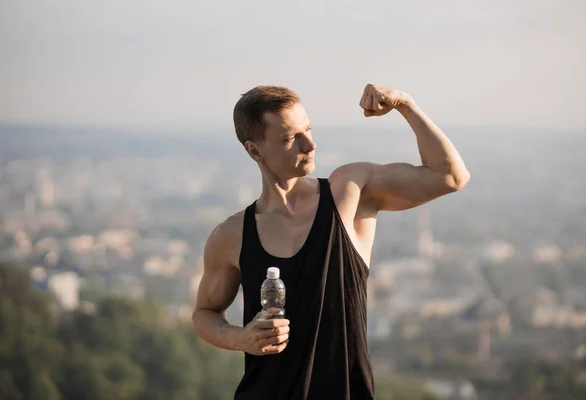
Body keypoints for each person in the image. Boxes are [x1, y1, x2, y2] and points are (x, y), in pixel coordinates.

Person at [192, 84, 470, 399]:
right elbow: (205, 313)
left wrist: (406, 105)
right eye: (289, 138)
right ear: (254, 149)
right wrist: (241, 339)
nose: (309, 144)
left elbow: (451, 177)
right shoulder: (231, 235)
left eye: (308, 130)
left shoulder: (348, 192)